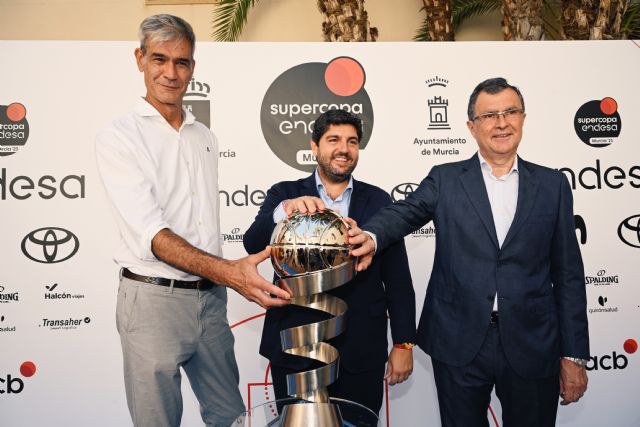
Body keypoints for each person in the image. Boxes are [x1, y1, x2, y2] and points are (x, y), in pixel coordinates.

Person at [349, 78, 589, 427]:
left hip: (533, 341)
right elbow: (407, 211)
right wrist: (371, 235)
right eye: (490, 115)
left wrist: (574, 354)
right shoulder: (446, 179)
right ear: (471, 127)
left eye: (510, 112)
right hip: (458, 341)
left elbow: (568, 275)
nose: (501, 122)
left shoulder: (552, 185)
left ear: (523, 118)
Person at [95, 14, 290, 427]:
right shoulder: (119, 137)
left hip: (210, 302)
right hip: (152, 302)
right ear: (139, 59)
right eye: (159, 59)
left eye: (181, 62)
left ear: (193, 68)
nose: (170, 72)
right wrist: (231, 273)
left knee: (232, 417)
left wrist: (222, 279)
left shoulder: (204, 136)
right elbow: (154, 235)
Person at [243, 109, 416, 415]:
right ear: (314, 146)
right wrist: (285, 211)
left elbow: (398, 278)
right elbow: (253, 243)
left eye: (351, 141)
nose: (343, 149)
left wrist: (403, 344)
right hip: (296, 345)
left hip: (362, 347)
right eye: (333, 139)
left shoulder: (378, 201)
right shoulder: (284, 194)